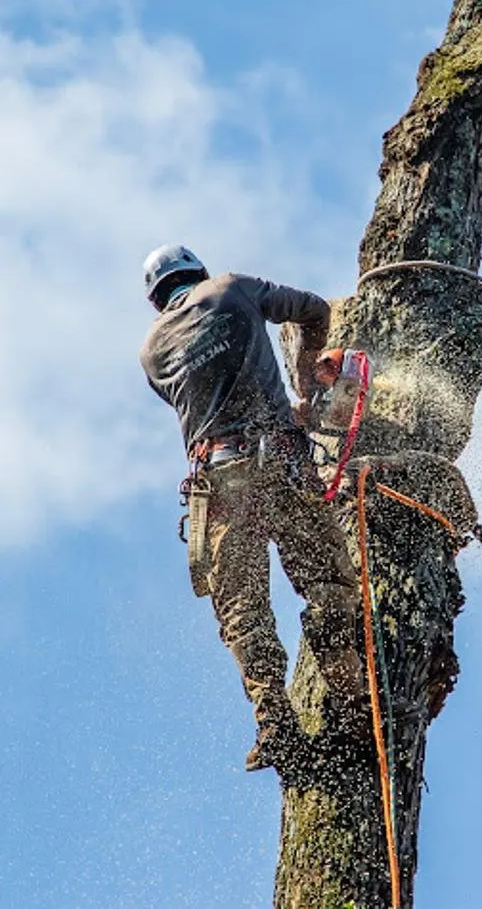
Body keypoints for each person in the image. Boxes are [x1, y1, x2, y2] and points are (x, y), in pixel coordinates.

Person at [139, 244, 364, 772]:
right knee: (327, 582)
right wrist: (305, 388)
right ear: (197, 271)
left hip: (216, 487)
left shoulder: (151, 351)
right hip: (278, 461)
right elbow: (315, 310)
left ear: (156, 300)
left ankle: (275, 724)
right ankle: (354, 702)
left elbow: (205, 394)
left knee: (244, 614)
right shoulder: (232, 288)